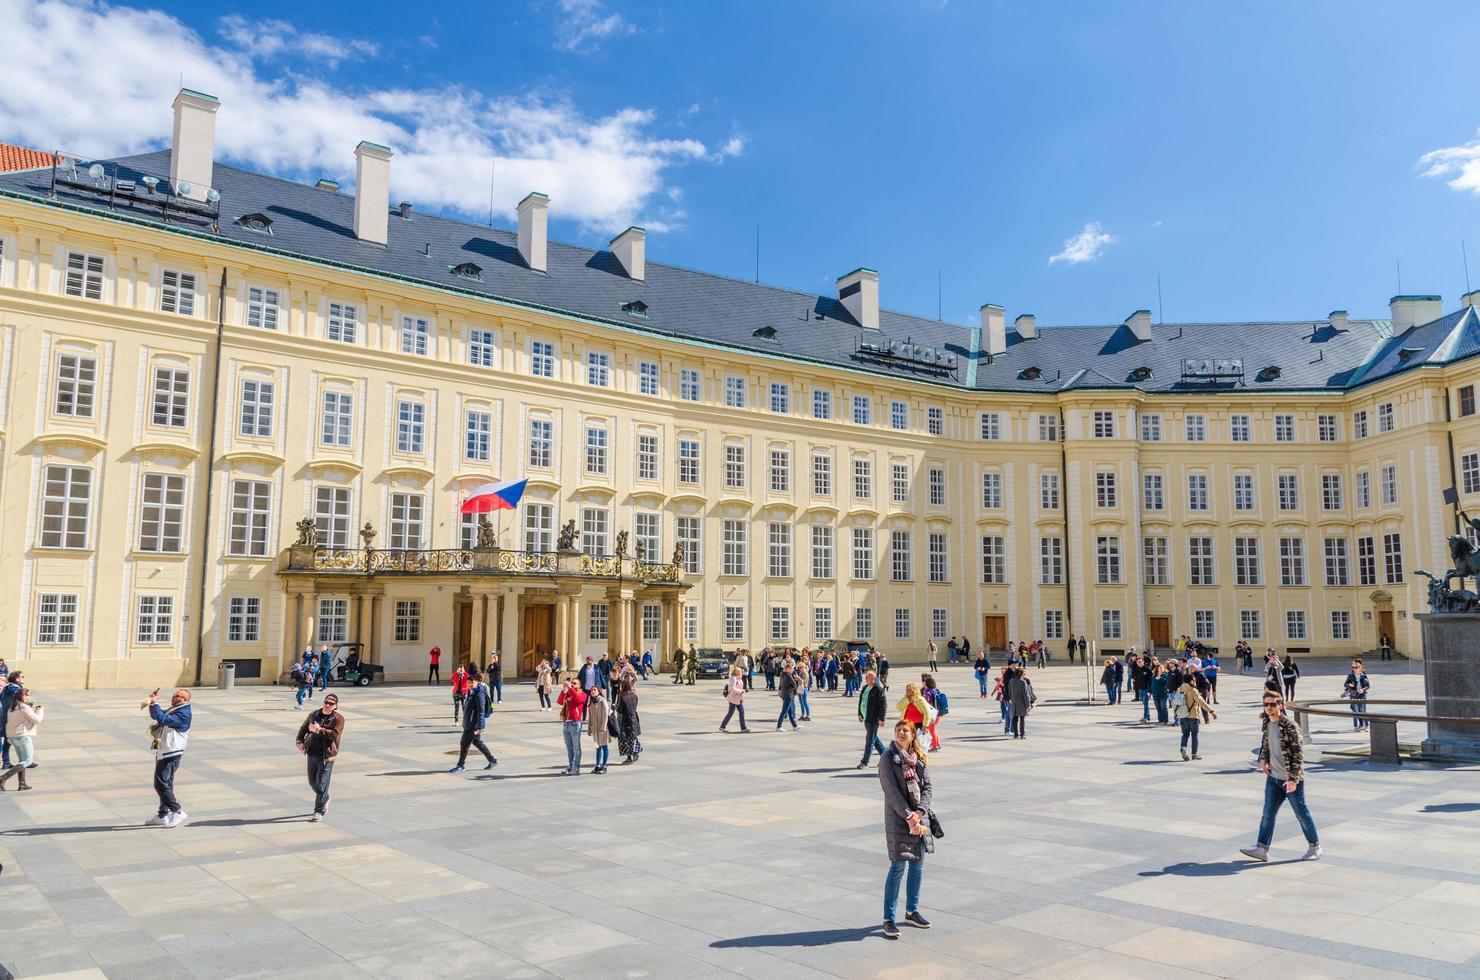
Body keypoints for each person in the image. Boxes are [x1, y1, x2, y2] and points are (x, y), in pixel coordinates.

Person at [1240, 692, 1322, 862]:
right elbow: (1265, 745)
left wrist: (1293, 779)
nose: (1269, 707)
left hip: (1290, 780)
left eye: (1272, 704)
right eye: (1266, 704)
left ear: (1281, 705)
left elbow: (1299, 755)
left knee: (1301, 814)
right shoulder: (1267, 723)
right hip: (1273, 779)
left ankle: (1315, 847)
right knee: (1267, 814)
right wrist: (1263, 760)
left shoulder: (1290, 726)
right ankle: (1262, 849)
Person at [878, 719, 933, 940]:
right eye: (899, 729)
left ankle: (912, 911)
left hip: (919, 820)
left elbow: (928, 786)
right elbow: (891, 791)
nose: (902, 732)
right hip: (899, 819)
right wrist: (909, 815)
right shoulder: (888, 758)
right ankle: (888, 919)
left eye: (906, 730)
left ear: (912, 735)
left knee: (917, 868)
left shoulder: (918, 757)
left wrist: (919, 812)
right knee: (897, 868)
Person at [144, 689, 192, 828]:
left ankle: (177, 811)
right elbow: (157, 716)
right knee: (166, 784)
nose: (173, 697)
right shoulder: (175, 709)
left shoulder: (184, 714)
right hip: (164, 750)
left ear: (184, 699)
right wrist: (153, 704)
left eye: (177, 696)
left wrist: (155, 703)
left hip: (171, 752)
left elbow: (163, 719)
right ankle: (162, 815)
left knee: (160, 784)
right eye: (174, 695)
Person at [295, 692, 342, 820]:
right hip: (312, 753)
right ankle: (325, 798)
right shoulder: (314, 714)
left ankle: (318, 811)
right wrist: (299, 741)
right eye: (326, 702)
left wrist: (318, 729)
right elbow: (304, 728)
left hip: (326, 755)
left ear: (335, 706)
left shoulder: (338, 719)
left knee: (321, 784)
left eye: (331, 703)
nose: (327, 705)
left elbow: (334, 734)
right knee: (312, 782)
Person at [450, 668, 497, 772]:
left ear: (477, 682)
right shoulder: (473, 691)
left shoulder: (479, 694)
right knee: (477, 742)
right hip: (470, 723)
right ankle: (492, 760)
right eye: (469, 682)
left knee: (464, 744)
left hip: (473, 725)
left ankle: (460, 765)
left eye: (472, 682)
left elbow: (481, 711)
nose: (470, 684)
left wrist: (480, 726)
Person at [0, 686, 42, 791]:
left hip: (13, 737)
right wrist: (40, 710)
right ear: (23, 696)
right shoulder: (24, 707)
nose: (29, 697)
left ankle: (22, 784)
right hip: (22, 737)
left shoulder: (12, 707)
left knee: (21, 761)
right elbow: (37, 719)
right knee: (27, 761)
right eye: (28, 695)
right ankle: (3, 778)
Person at [1175, 677, 1216, 761]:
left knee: (1185, 734)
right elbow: (1201, 702)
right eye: (1194, 680)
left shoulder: (1180, 689)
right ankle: (1194, 754)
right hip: (1193, 716)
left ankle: (1183, 748)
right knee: (1194, 735)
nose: (1195, 681)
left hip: (1183, 715)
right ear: (1191, 681)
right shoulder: (1193, 691)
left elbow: (1175, 702)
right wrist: (1211, 711)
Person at [555, 677, 587, 775]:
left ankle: (576, 767)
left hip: (575, 723)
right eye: (571, 683)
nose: (572, 685)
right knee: (569, 747)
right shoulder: (569, 693)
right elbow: (560, 702)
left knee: (576, 747)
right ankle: (571, 766)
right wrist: (564, 691)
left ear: (579, 685)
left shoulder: (583, 694)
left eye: (574, 683)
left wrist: (570, 689)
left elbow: (578, 700)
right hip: (566, 723)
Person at [857, 669, 887, 768]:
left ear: (874, 678)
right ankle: (886, 758)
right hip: (866, 717)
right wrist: (860, 713)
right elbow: (861, 701)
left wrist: (882, 718)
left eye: (869, 677)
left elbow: (883, 705)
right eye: (866, 677)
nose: (867, 679)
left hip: (874, 718)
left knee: (869, 740)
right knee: (875, 739)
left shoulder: (878, 689)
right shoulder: (865, 688)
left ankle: (864, 762)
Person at [0, 670, 24, 769]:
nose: (23, 678)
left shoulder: (8, 687)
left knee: (8, 740)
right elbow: (14, 690)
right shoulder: (12, 687)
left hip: (6, 718)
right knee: (19, 739)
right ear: (16, 678)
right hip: (8, 719)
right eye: (22, 676)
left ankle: (6, 762)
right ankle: (25, 760)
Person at [616, 678, 642, 763]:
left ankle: (629, 756)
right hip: (633, 718)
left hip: (624, 720)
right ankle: (636, 751)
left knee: (624, 738)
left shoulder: (622, 697)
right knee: (632, 737)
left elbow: (620, 709)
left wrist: (615, 707)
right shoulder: (634, 696)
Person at [587, 684, 612, 773]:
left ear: (599, 691)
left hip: (602, 728)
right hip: (595, 728)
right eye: (591, 690)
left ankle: (604, 766)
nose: (592, 691)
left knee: (604, 746)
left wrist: (604, 726)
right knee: (598, 747)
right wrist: (589, 728)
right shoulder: (591, 703)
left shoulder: (602, 701)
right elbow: (590, 716)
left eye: (595, 690)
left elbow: (606, 714)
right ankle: (598, 765)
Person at [1006, 666, 1034, 739]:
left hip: (1014, 703)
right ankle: (1022, 734)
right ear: (1020, 674)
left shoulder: (1011, 681)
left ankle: (1016, 734)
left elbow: (1009, 692)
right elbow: (1026, 694)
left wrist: (1012, 699)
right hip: (1022, 704)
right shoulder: (1023, 682)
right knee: (1022, 719)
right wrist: (1028, 705)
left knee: (1015, 720)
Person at [720, 665, 750, 732]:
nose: (739, 672)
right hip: (733, 698)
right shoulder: (733, 678)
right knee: (730, 713)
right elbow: (732, 689)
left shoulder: (739, 678)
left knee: (742, 712)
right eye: (738, 671)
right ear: (735, 672)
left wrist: (743, 690)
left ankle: (743, 728)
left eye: (740, 671)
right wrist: (741, 691)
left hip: (738, 698)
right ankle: (722, 726)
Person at [1344, 659, 1370, 731]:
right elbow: (1345, 684)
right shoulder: (1350, 676)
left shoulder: (1363, 675)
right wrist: (1349, 684)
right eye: (1353, 667)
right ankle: (1357, 725)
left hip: (1362, 695)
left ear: (1361, 667)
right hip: (1353, 694)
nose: (1354, 669)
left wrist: (1363, 689)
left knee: (1362, 710)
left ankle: (1366, 725)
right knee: (1355, 711)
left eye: (1356, 667)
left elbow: (1368, 686)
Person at [775, 662, 800, 731]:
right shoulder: (788, 675)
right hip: (788, 695)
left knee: (790, 712)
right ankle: (779, 726)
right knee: (784, 711)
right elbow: (795, 684)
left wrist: (780, 690)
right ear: (787, 669)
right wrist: (797, 679)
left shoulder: (782, 674)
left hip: (784, 694)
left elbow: (781, 684)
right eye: (791, 669)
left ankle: (794, 726)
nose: (792, 670)